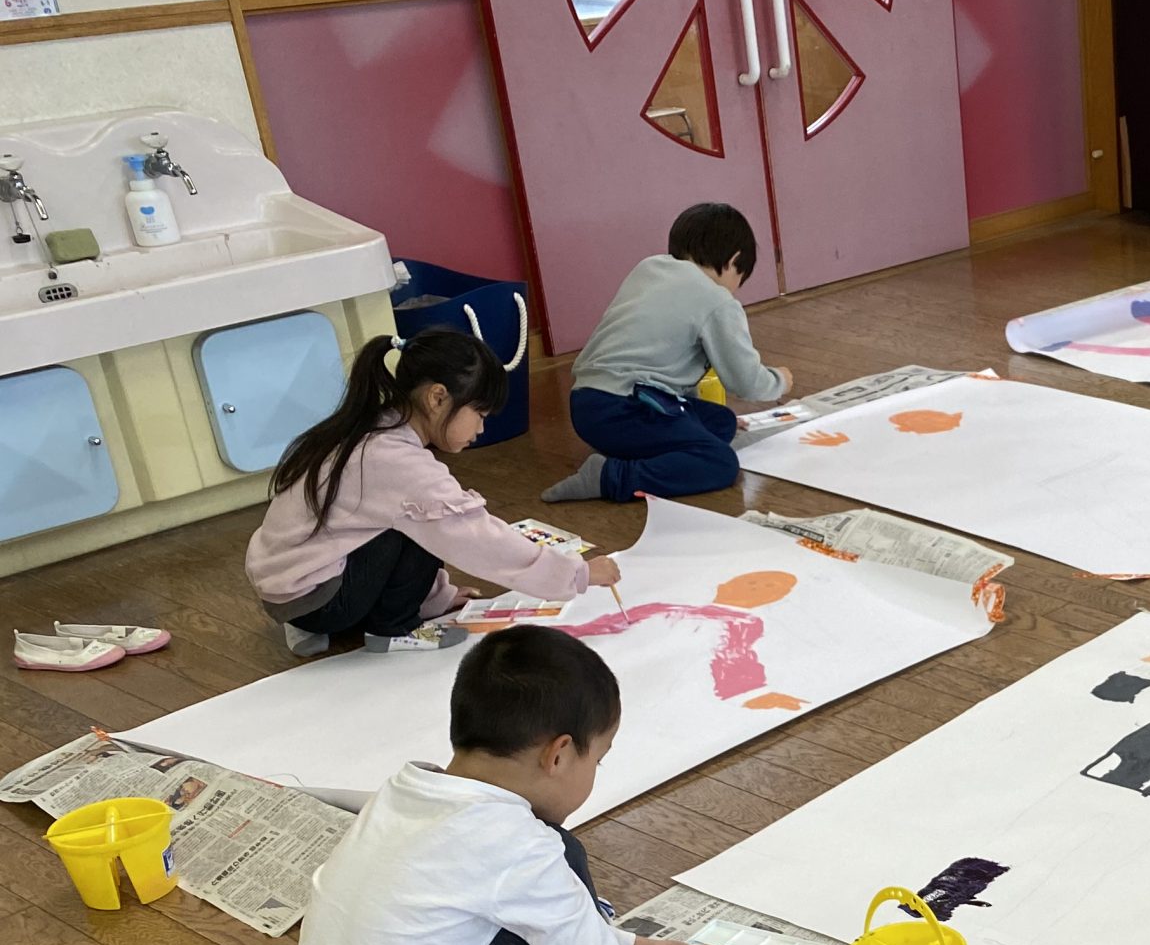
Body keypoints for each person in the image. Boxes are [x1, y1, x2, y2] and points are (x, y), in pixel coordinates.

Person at [288, 628, 722, 945]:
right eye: (597, 760)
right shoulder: (522, 849)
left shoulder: (398, 796)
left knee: (535, 909)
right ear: (558, 755)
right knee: (561, 856)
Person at [249, 329, 605, 656]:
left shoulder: (370, 424)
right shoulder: (398, 462)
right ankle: (394, 629)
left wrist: (437, 596)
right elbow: (476, 538)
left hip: (289, 589)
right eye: (480, 414)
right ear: (437, 397)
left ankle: (316, 622)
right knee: (431, 516)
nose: (481, 428)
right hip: (318, 601)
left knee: (417, 516)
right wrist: (576, 574)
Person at [543, 202, 794, 504]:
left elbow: (666, 364)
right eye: (740, 279)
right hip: (624, 409)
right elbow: (746, 382)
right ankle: (611, 477)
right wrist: (779, 381)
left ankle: (629, 448)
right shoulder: (717, 301)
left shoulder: (648, 269)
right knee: (720, 462)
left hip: (586, 404)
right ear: (733, 261)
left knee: (723, 422)